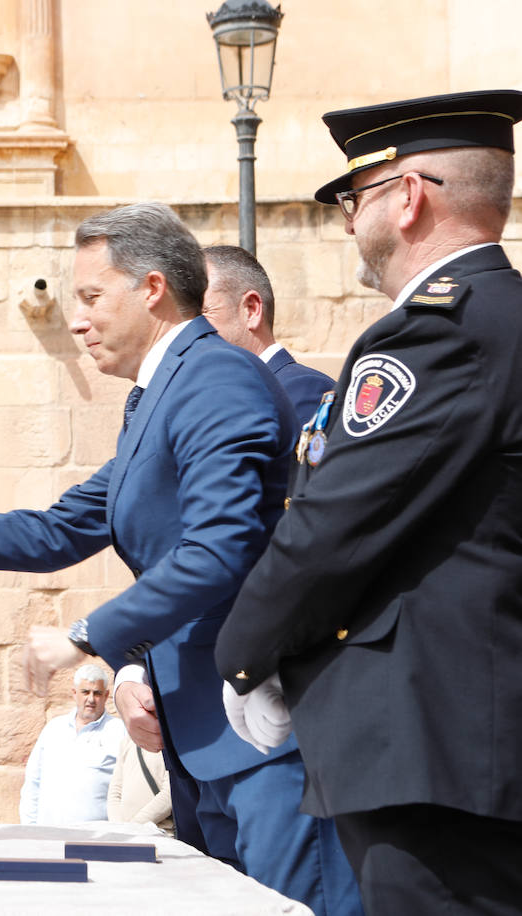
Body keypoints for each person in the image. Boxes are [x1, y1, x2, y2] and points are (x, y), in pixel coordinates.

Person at [0, 201, 361, 916]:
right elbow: (61, 529)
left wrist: (87, 636)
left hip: (259, 735)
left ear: (152, 289)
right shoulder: (163, 395)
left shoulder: (215, 378)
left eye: (90, 296)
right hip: (204, 741)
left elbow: (219, 546)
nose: (76, 320)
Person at [216, 89, 522, 916]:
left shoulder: (439, 330)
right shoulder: (500, 318)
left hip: (432, 742)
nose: (348, 222)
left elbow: (336, 522)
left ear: (409, 197)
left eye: (355, 199)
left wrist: (245, 657)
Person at [201, 245, 334, 419]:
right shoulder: (217, 399)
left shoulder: (302, 390)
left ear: (251, 310)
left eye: (202, 313)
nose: (191, 329)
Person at [19, 664, 124, 825]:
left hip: (98, 838)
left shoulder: (118, 731)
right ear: (74, 693)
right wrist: (29, 827)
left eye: (97, 693)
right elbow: (33, 781)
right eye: (85, 692)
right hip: (48, 834)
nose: (90, 699)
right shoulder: (53, 729)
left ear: (106, 695)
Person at [108, 732, 173, 834]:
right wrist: (118, 827)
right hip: (123, 835)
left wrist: (133, 827)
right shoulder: (128, 740)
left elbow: (170, 794)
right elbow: (115, 791)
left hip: (158, 834)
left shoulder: (173, 741)